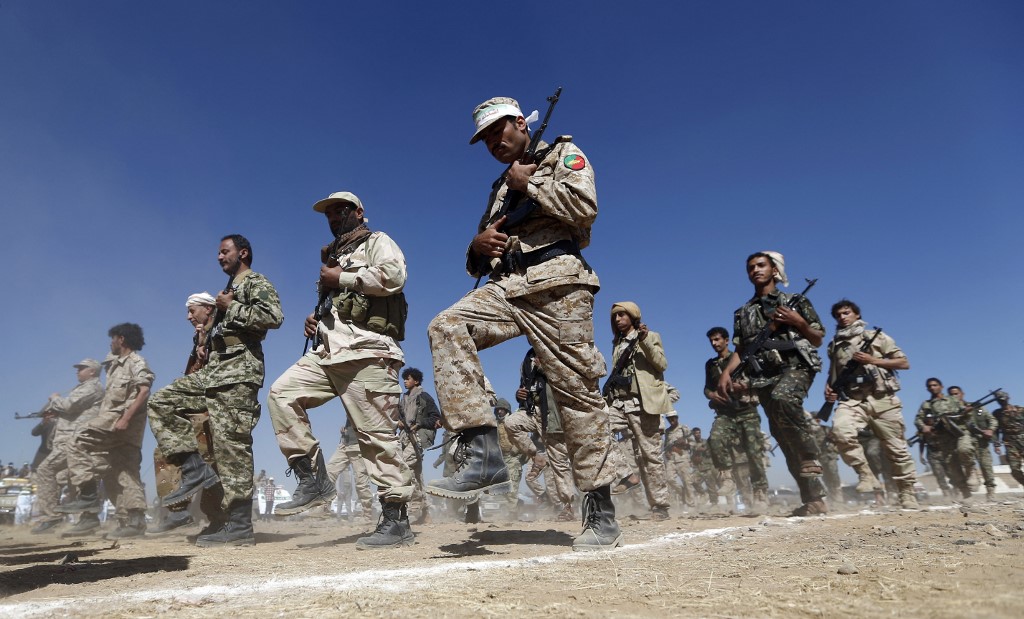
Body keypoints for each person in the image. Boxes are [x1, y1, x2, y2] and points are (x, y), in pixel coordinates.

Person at [426, 96, 626, 551]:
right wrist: (477, 245)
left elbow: (584, 208)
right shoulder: (500, 186)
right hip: (507, 286)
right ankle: (483, 453)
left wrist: (530, 183)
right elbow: (482, 251)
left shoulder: (561, 155)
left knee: (576, 394)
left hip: (558, 286)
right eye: (486, 139)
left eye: (498, 131)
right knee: (447, 325)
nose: (494, 143)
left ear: (521, 123)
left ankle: (600, 509)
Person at [267, 191, 414, 549]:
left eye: (341, 210)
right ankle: (313, 480)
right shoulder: (335, 256)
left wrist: (342, 278)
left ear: (359, 212)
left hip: (368, 352)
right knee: (281, 394)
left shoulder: (377, 242)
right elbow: (339, 307)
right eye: (329, 214)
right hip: (329, 352)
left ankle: (396, 520)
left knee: (377, 438)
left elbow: (394, 276)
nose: (334, 217)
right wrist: (316, 319)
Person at [148, 235, 284, 547]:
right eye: (219, 253)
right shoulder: (228, 289)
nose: (220, 257)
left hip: (239, 373)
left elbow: (273, 317)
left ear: (243, 252)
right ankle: (194, 469)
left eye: (225, 251)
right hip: (214, 372)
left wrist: (231, 306)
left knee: (231, 448)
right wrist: (204, 343)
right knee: (162, 402)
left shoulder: (254, 282)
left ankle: (239, 526)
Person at [717, 251, 828, 516]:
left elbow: (817, 338)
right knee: (783, 436)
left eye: (761, 265)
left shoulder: (794, 301)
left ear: (774, 270)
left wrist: (798, 322)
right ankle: (814, 499)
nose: (756, 270)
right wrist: (726, 373)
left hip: (796, 366)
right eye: (751, 267)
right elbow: (741, 350)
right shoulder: (743, 312)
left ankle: (810, 453)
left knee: (784, 399)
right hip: (764, 377)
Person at [58, 324, 155, 538]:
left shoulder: (136, 362)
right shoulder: (115, 365)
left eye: (113, 339)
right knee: (122, 472)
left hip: (121, 422)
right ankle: (132, 522)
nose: (110, 343)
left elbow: (144, 391)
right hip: (118, 425)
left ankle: (88, 496)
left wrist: (126, 418)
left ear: (121, 339)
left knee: (77, 441)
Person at [822, 299, 918, 509]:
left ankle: (907, 492)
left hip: (882, 399)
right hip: (853, 399)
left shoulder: (876, 337)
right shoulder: (835, 344)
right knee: (841, 431)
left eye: (846, 313)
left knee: (897, 450)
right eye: (838, 315)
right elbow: (834, 371)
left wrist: (873, 360)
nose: (842, 317)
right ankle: (865, 474)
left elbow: (904, 362)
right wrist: (829, 387)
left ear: (857, 314)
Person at [151, 292, 220, 534]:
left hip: (214, 408)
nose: (188, 317)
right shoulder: (200, 337)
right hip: (195, 408)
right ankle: (178, 510)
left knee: (211, 462)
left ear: (208, 309)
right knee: (166, 449)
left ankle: (220, 518)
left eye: (192, 310)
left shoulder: (222, 329)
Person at [603, 302, 672, 520]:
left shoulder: (650, 336)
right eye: (615, 316)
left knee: (650, 456)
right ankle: (627, 475)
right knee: (599, 431)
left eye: (622, 315)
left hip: (642, 403)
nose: (617, 319)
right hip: (619, 403)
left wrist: (644, 341)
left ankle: (660, 506)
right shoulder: (617, 344)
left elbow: (661, 364)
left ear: (633, 317)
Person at [30, 359, 105, 534]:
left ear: (92, 371)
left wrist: (55, 399)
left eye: (82, 368)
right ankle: (87, 520)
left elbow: (69, 405)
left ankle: (51, 516)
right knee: (75, 479)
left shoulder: (92, 387)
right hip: (72, 439)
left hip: (75, 440)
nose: (77, 371)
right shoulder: (83, 388)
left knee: (45, 469)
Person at [504, 348, 576, 522]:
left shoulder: (555, 352)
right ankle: (537, 456)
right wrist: (519, 395)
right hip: (532, 411)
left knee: (559, 463)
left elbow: (568, 381)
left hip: (552, 414)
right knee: (511, 423)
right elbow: (525, 387)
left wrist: (544, 368)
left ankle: (568, 506)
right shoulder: (527, 360)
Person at [703, 326, 768, 513]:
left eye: (717, 339)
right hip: (725, 413)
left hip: (746, 411)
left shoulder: (742, 358)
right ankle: (727, 478)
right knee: (715, 439)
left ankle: (760, 493)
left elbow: (761, 379)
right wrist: (712, 395)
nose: (714, 343)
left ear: (727, 340)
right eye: (711, 341)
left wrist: (743, 386)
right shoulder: (711, 365)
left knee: (753, 453)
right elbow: (707, 388)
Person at [915, 378, 973, 499]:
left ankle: (970, 470)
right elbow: (918, 419)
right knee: (953, 466)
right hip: (944, 437)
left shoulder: (953, 399)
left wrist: (967, 412)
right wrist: (924, 426)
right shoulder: (927, 404)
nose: (932, 388)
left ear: (941, 387)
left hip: (960, 432)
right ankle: (966, 493)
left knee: (965, 449)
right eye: (929, 386)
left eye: (935, 385)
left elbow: (967, 414)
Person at [398, 367, 441, 524]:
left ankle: (415, 505)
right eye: (404, 378)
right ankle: (425, 512)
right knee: (417, 475)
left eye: (408, 379)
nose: (405, 381)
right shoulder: (404, 398)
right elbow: (400, 417)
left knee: (405, 466)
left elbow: (436, 418)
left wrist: (419, 424)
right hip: (404, 438)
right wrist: (399, 422)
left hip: (418, 438)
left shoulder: (424, 397)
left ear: (416, 381)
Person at [949, 386, 998, 500]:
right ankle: (966, 487)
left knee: (986, 466)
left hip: (980, 440)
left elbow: (991, 420)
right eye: (951, 395)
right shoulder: (950, 411)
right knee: (964, 461)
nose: (954, 396)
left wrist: (990, 430)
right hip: (963, 440)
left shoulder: (977, 407)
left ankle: (990, 491)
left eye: (956, 393)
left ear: (962, 394)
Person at [325, 416, 375, 522]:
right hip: (345, 443)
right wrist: (346, 429)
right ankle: (324, 506)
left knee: (361, 482)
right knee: (329, 471)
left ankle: (367, 514)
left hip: (358, 445)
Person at [993, 391, 1024, 489]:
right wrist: (996, 444)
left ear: (1008, 398)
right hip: (1010, 443)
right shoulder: (997, 414)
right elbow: (995, 430)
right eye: (999, 400)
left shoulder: (1020, 409)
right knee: (1015, 469)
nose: (1002, 402)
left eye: (1003, 400)